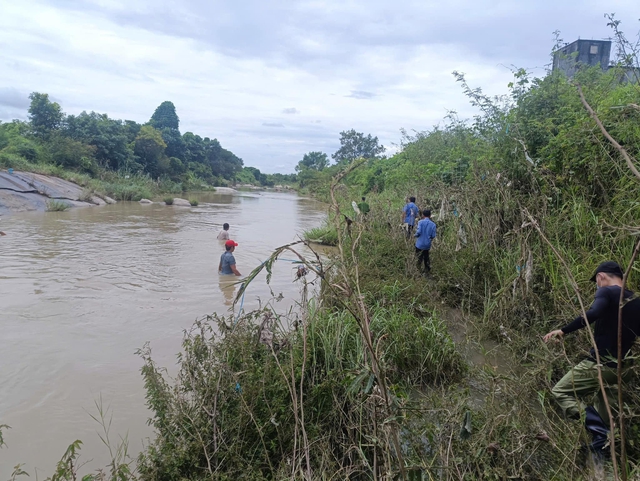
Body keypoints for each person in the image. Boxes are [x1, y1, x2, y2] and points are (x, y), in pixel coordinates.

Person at [543, 261, 640, 429]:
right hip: (625, 368)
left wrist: (564, 330)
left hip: (602, 364)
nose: (597, 286)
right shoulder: (635, 299)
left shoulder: (606, 291)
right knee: (607, 413)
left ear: (600, 277)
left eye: (596, 282)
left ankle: (598, 429)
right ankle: (603, 449)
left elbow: (594, 312)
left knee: (560, 391)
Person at [414, 209, 436, 275]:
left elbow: (419, 232)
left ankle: (418, 270)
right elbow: (433, 235)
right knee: (426, 257)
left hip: (419, 244)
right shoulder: (433, 225)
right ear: (430, 215)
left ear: (423, 215)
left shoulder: (420, 222)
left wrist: (415, 235)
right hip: (427, 244)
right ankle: (427, 270)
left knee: (419, 257)